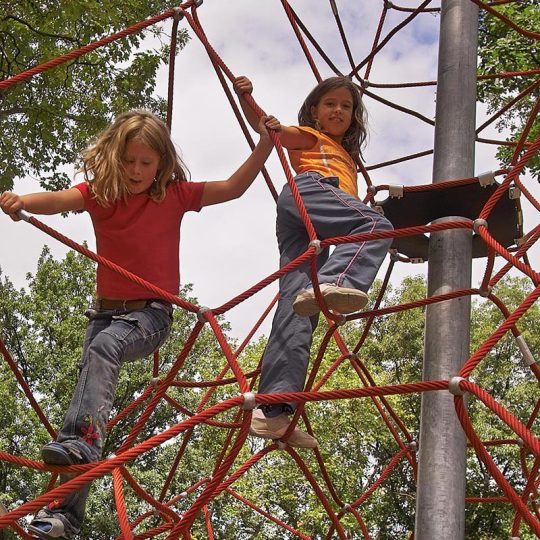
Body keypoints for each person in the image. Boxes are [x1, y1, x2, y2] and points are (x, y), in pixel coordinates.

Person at [0, 109, 278, 539]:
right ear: (115, 157)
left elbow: (233, 188)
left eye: (145, 163)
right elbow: (58, 200)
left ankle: (83, 445)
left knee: (102, 354)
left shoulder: (175, 195)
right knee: (83, 400)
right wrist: (22, 202)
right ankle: (63, 514)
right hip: (106, 313)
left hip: (151, 314)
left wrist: (264, 143)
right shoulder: (100, 194)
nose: (135, 170)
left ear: (162, 163)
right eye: (128, 160)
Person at [234, 76, 394, 449]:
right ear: (314, 112)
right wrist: (246, 97)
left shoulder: (347, 157)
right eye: (330, 104)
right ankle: (337, 277)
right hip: (311, 192)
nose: (338, 110)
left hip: (306, 223)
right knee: (374, 224)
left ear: (354, 117)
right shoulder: (311, 137)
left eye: (346, 106)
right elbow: (269, 127)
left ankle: (273, 411)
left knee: (298, 310)